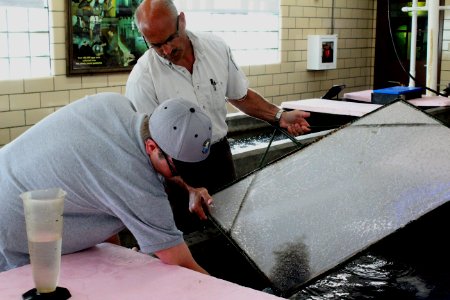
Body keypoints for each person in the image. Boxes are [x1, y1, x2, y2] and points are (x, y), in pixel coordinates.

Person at [125, 0, 312, 223]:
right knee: (190, 238)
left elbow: (239, 95)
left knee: (234, 230)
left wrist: (279, 115)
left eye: (170, 39)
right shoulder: (143, 77)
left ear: (182, 21)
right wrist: (188, 188)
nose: (166, 50)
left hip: (219, 157)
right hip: (177, 168)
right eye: (156, 45)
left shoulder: (215, 48)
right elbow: (149, 148)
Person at [0, 93, 213, 274]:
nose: (182, 179)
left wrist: (116, 258)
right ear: (151, 147)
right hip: (13, 223)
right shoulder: (136, 180)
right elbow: (182, 264)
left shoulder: (116, 104)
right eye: (177, 170)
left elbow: (96, 190)